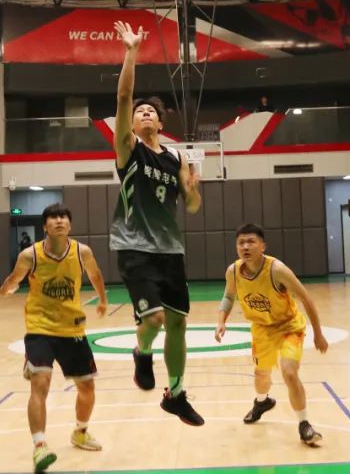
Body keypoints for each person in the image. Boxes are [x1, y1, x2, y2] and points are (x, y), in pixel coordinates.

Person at [110, 21, 204, 425]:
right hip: (135, 246)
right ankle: (142, 351)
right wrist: (131, 51)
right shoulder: (128, 148)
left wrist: (192, 190)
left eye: (151, 111)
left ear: (160, 124)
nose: (144, 113)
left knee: (178, 324)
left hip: (170, 250)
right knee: (154, 320)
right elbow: (124, 96)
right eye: (139, 112)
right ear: (131, 124)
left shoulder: (176, 157)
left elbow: (192, 207)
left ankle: (176, 394)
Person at [0, 203, 108, 472]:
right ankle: (40, 447)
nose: (59, 221)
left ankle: (80, 432)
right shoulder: (30, 255)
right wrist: (8, 287)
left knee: (87, 388)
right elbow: (14, 279)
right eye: (53, 218)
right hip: (40, 328)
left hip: (72, 328)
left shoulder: (82, 252)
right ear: (45, 226)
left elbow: (95, 275)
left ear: (69, 225)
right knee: (40, 383)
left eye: (63, 217)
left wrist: (103, 300)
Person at [214, 223, 327, 445]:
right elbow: (228, 296)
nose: (245, 246)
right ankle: (262, 402)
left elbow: (306, 299)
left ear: (262, 246)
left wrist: (318, 334)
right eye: (241, 243)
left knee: (289, 373)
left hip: (289, 327)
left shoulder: (277, 270)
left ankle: (304, 423)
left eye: (251, 242)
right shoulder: (233, 271)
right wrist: (221, 321)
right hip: (262, 329)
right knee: (261, 375)